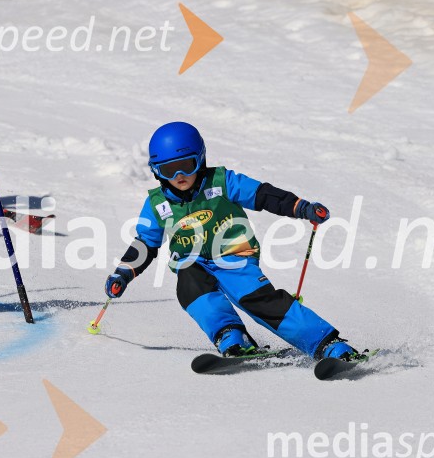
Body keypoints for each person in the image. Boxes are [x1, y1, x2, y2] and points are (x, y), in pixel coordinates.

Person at [104, 121, 362, 361]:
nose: (180, 175)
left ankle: (328, 344)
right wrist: (123, 274)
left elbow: (263, 195)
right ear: (157, 172)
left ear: (201, 159)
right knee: (191, 288)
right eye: (169, 169)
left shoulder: (223, 182)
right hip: (191, 260)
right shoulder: (157, 204)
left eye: (187, 165)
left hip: (234, 255)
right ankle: (231, 335)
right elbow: (145, 243)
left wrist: (300, 207)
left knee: (258, 300)